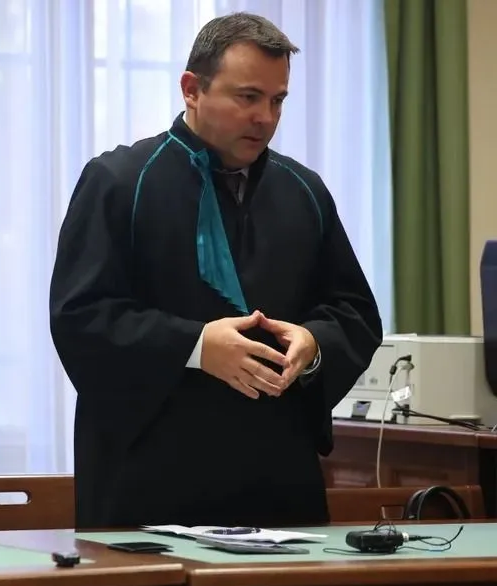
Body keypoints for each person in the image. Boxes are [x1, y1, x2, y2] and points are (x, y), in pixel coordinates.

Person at [49, 13, 383, 529]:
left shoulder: (305, 192)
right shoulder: (118, 182)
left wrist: (314, 344)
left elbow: (354, 313)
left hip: (279, 486)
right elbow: (80, 317)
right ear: (191, 89)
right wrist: (197, 346)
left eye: (277, 101)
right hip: (148, 486)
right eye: (247, 97)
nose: (265, 118)